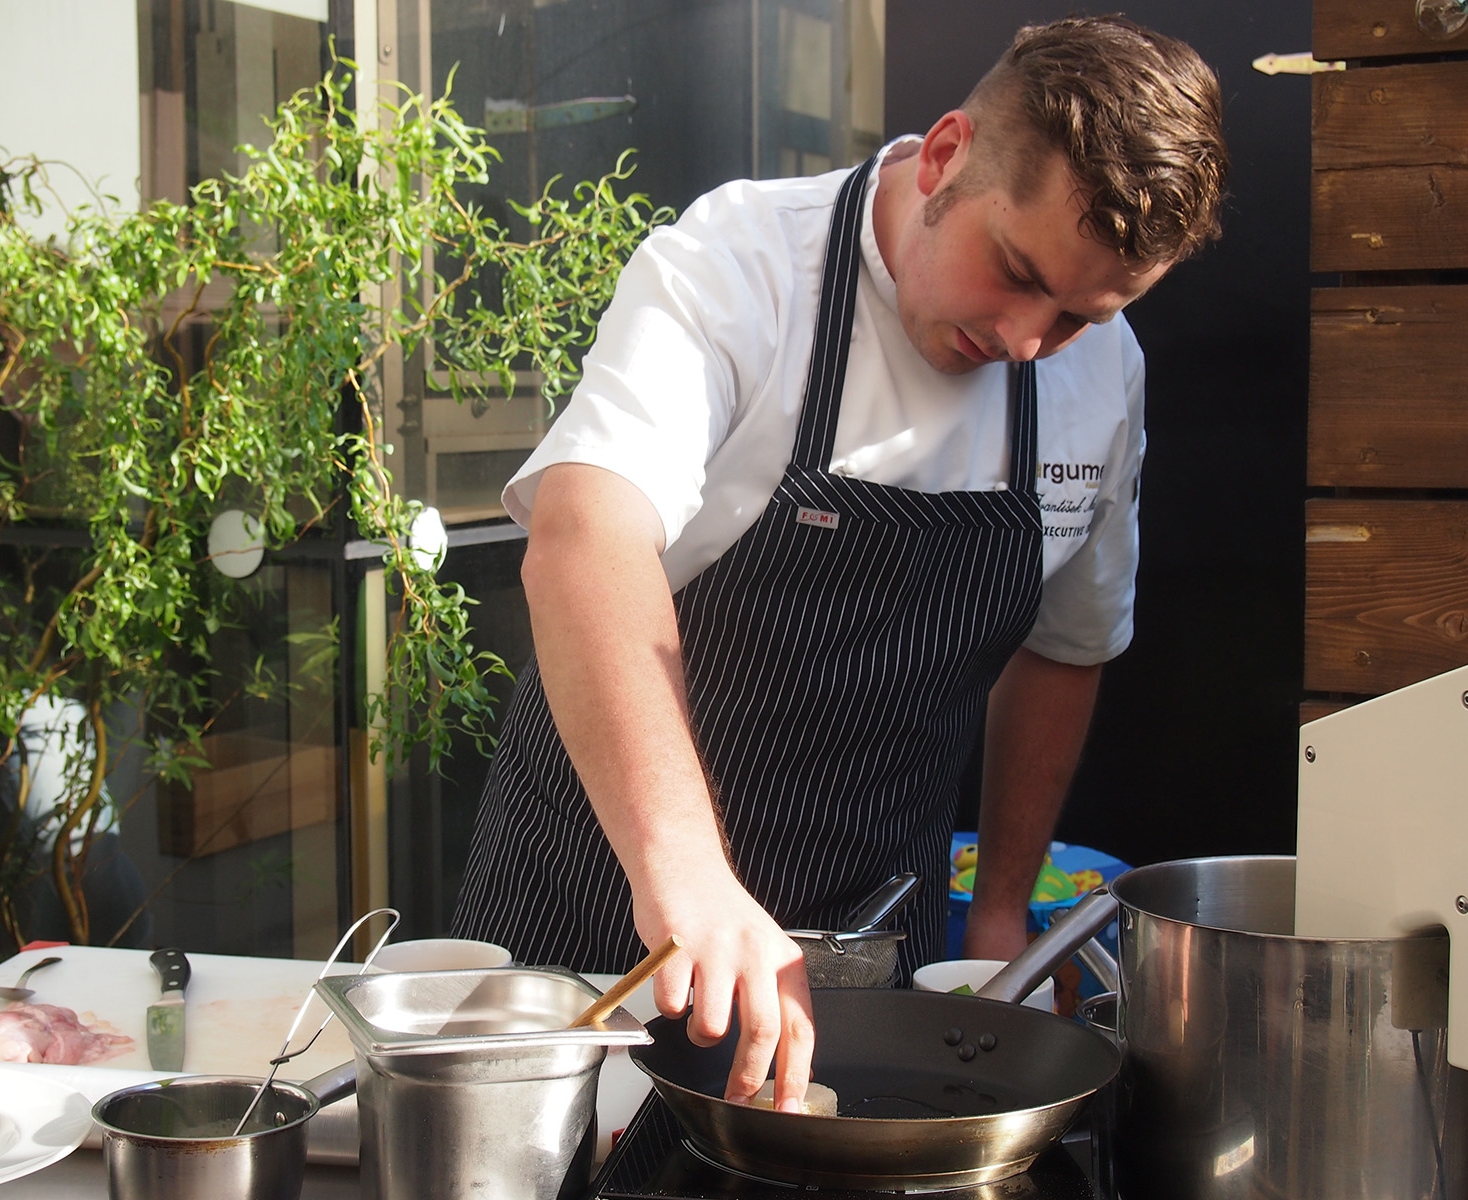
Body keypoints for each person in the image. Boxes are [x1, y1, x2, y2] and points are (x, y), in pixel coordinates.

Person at [451, 15, 1227, 1112]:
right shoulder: (738, 266)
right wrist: (685, 875)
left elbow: (1066, 644)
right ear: (949, 154)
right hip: (599, 905)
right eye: (1012, 271)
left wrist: (1001, 912)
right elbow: (583, 537)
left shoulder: (1102, 375)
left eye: (1075, 315)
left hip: (864, 946)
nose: (1023, 339)